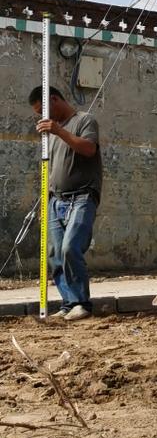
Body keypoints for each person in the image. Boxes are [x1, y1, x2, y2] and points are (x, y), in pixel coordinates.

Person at [28, 85, 102, 321]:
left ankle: (82, 303)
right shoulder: (50, 134)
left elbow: (89, 149)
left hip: (82, 197)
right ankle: (69, 303)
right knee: (55, 254)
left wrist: (59, 131)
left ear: (54, 100)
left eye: (42, 111)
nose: (42, 117)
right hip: (56, 199)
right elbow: (51, 170)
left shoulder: (84, 120)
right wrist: (45, 200)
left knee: (71, 247)